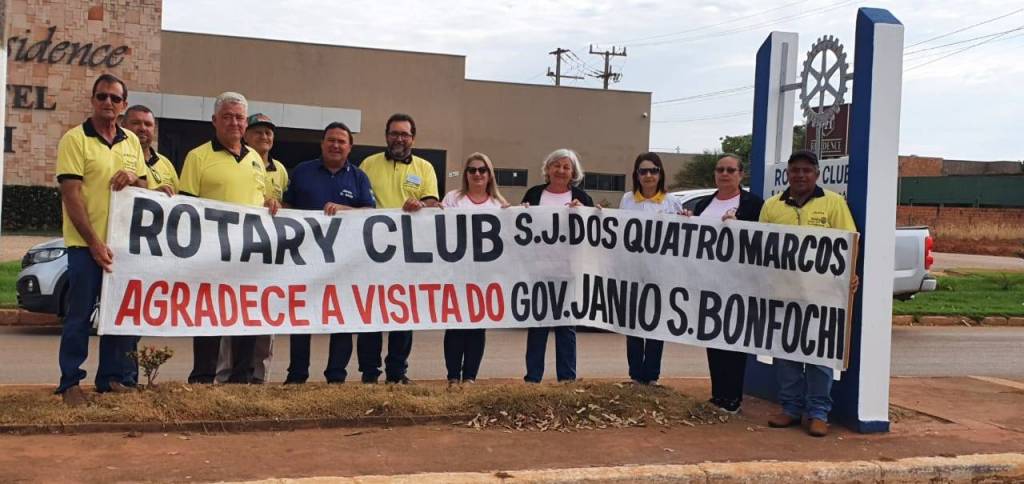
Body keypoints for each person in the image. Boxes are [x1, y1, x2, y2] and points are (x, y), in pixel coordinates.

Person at [55, 74, 148, 405]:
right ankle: (70, 383)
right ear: (92, 100)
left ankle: (111, 378)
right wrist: (94, 243)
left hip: (123, 247)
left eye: (115, 98)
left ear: (123, 104)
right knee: (80, 315)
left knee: (119, 315)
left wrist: (134, 177)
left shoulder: (131, 141)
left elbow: (145, 188)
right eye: (102, 96)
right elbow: (71, 195)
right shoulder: (75, 139)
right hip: (85, 246)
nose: (108, 102)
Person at [179, 91, 279, 384]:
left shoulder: (255, 159)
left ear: (245, 123)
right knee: (209, 316)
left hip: (248, 252)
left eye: (239, 117)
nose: (234, 123)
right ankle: (203, 377)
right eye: (227, 117)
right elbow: (186, 208)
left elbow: (258, 198)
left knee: (246, 314)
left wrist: (269, 203)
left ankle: (241, 378)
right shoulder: (198, 157)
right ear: (215, 120)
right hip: (211, 252)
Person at [760, 149, 857, 437]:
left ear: (817, 174)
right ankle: (790, 408)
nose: (800, 175)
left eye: (806, 170)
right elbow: (758, 247)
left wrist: (851, 275)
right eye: (795, 170)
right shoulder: (772, 206)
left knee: (819, 355)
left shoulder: (834, 203)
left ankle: (818, 413)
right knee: (786, 353)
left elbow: (849, 242)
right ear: (787, 174)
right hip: (784, 293)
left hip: (822, 294)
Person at [284, 122, 376, 384]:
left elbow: (370, 213)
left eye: (341, 141)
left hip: (342, 264)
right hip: (305, 260)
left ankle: (336, 375)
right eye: (331, 140)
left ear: (350, 147)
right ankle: (297, 375)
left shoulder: (359, 177)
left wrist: (346, 210)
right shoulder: (302, 171)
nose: (336, 145)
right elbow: (288, 206)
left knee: (341, 317)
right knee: (301, 317)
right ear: (322, 143)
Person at [357, 113, 439, 384]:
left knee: (403, 314)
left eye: (404, 134)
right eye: (394, 133)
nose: (399, 139)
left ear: (412, 138)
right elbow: (359, 204)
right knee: (371, 314)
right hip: (372, 252)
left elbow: (433, 204)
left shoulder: (425, 167)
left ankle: (397, 372)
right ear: (386, 136)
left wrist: (422, 204)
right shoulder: (368, 164)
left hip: (407, 254)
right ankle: (369, 373)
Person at [211, 113, 289, 384]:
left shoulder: (280, 170)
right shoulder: (238, 163)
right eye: (258, 132)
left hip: (268, 254)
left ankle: (259, 376)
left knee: (265, 315)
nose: (264, 137)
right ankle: (225, 374)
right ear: (246, 135)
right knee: (232, 312)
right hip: (236, 249)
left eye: (268, 133)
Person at [688, 154, 764, 414]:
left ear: (741, 174)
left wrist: (739, 226)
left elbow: (762, 240)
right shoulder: (703, 204)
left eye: (730, 170)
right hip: (708, 282)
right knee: (713, 338)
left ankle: (732, 398)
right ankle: (718, 394)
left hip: (738, 284)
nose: (724, 174)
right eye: (720, 169)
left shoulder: (753, 204)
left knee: (733, 340)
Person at [521, 148, 594, 383]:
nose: (561, 171)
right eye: (556, 165)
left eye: (566, 167)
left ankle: (567, 379)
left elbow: (595, 232)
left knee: (566, 328)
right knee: (537, 327)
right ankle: (533, 378)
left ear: (573, 173)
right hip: (538, 272)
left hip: (569, 272)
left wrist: (586, 213)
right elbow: (519, 227)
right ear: (548, 168)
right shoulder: (534, 194)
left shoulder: (582, 198)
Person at [121, 103, 179, 388]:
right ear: (124, 125)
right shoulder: (120, 155)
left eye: (147, 124)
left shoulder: (165, 165)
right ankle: (119, 377)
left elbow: (180, 205)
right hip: (124, 249)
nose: (142, 129)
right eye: (136, 123)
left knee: (138, 318)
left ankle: (131, 376)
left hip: (155, 254)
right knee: (122, 316)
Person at [440, 152, 509, 385]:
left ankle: (470, 377)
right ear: (466, 174)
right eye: (472, 170)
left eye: (482, 170)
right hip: (456, 274)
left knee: (477, 328)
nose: (477, 174)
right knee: (455, 326)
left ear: (490, 174)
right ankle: (452, 376)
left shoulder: (498, 204)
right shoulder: (453, 198)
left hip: (484, 277)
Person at [618, 152, 682, 386]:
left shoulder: (672, 202)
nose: (648, 175)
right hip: (633, 273)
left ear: (660, 173)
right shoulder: (627, 200)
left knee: (656, 325)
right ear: (636, 175)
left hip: (661, 274)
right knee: (633, 325)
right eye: (643, 171)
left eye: (653, 170)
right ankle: (636, 374)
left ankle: (652, 375)